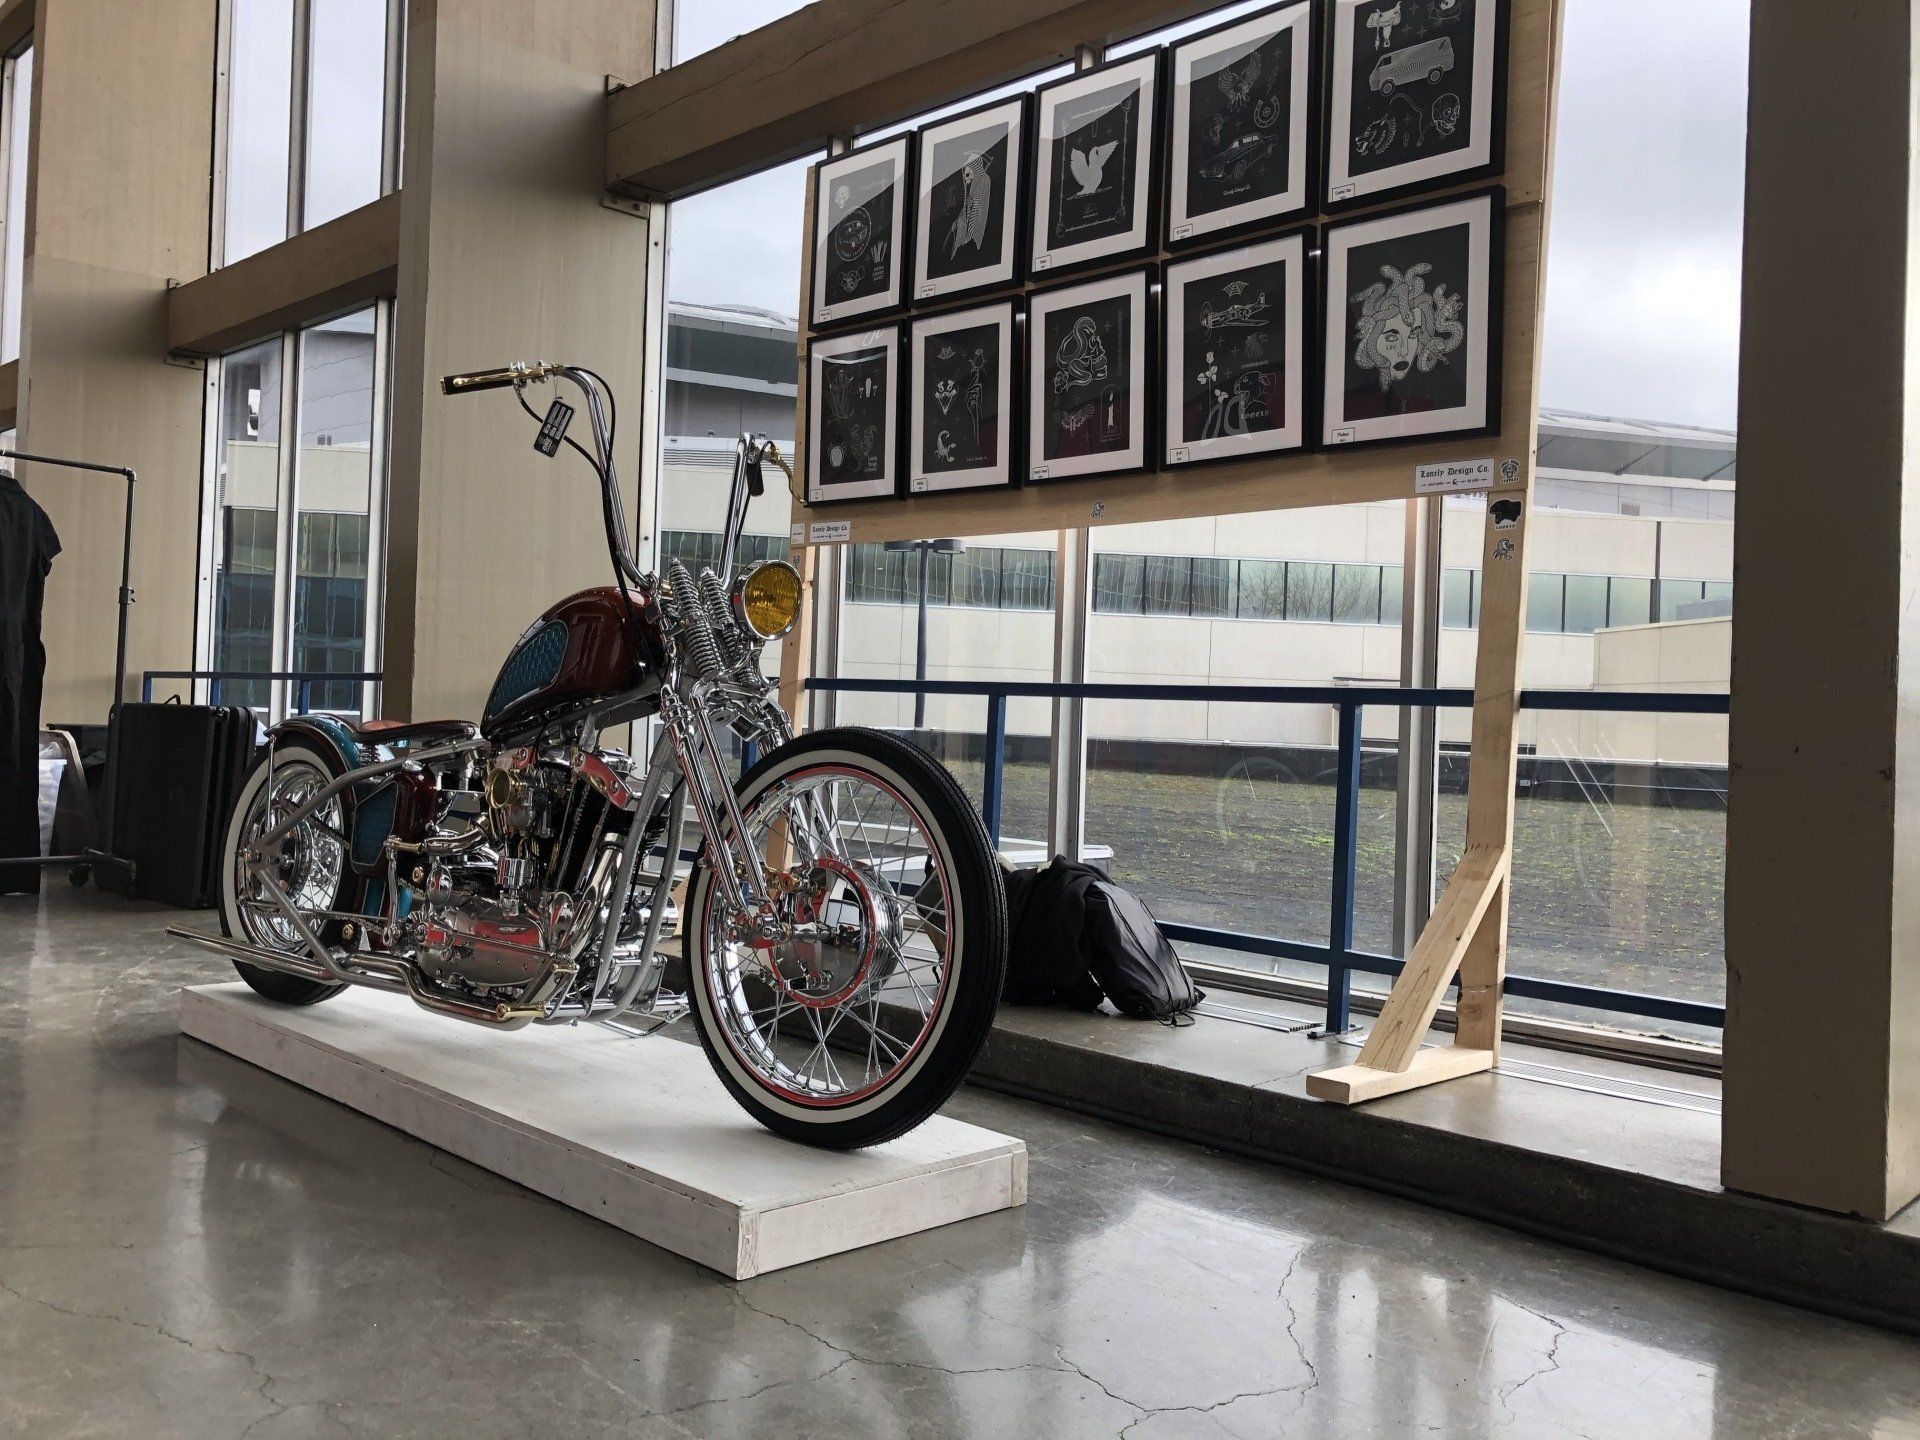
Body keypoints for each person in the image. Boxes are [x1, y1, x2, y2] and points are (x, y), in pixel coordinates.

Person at [0, 463, 60, 895]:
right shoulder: (33, 514)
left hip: (16, 651)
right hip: (16, 655)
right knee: (14, 756)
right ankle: (15, 870)